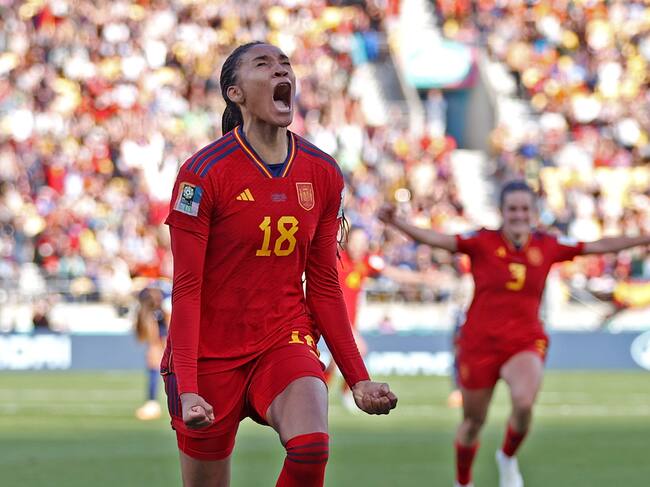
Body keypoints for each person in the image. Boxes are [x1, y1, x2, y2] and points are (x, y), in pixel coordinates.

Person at [161, 42, 398, 487]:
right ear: (235, 93)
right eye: (263, 64)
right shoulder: (203, 173)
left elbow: (324, 285)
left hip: (283, 338)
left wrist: (358, 379)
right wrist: (188, 386)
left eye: (285, 64)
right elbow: (187, 288)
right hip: (211, 352)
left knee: (311, 448)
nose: (280, 70)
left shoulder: (322, 171)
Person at [379, 180, 650, 487]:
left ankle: (507, 457)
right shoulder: (482, 242)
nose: (519, 214)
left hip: (524, 341)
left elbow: (598, 246)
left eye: (524, 208)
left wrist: (644, 237)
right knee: (473, 422)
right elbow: (437, 239)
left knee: (523, 403)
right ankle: (463, 482)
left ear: (533, 212)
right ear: (502, 211)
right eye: (512, 209)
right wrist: (397, 222)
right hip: (478, 343)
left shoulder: (548, 245)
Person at [134, 282, 170, 420]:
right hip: (163, 333)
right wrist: (154, 346)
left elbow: (170, 326)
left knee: (168, 365)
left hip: (173, 334)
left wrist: (164, 347)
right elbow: (151, 328)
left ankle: (154, 403)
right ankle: (152, 403)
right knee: (153, 363)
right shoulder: (150, 305)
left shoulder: (167, 303)